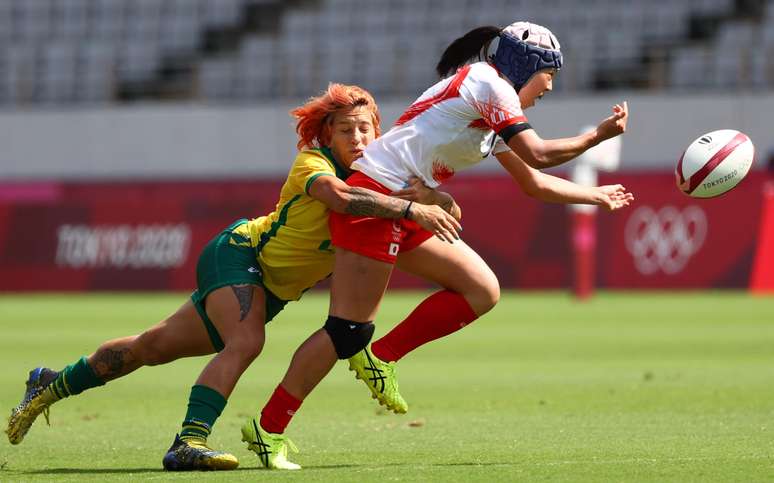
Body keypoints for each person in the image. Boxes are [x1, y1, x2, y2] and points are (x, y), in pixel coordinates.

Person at [4, 84, 461, 471]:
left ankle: (51, 382)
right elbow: (339, 200)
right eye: (346, 129)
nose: (358, 138)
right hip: (240, 254)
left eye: (366, 128)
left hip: (272, 289)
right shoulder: (313, 163)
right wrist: (411, 206)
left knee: (152, 347)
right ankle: (188, 442)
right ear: (325, 134)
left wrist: (435, 196)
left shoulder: (387, 177)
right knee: (245, 342)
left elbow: (450, 217)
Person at [244, 21, 634, 469]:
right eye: (550, 74)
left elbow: (533, 182)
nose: (550, 86)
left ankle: (382, 357)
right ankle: (268, 429)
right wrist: (596, 136)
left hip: (409, 199)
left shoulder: (491, 110)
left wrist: (595, 195)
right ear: (527, 66)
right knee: (346, 331)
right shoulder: (490, 85)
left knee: (481, 290)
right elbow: (539, 154)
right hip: (378, 200)